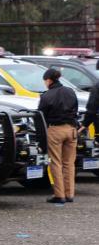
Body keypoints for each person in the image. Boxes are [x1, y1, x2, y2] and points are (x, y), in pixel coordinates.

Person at [39, 68, 79, 205]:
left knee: (56, 163)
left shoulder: (46, 95)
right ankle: (69, 194)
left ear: (48, 80)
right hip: (72, 129)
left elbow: (41, 116)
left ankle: (59, 195)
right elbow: (76, 108)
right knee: (69, 163)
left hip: (55, 130)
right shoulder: (70, 91)